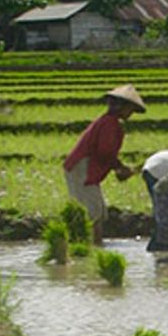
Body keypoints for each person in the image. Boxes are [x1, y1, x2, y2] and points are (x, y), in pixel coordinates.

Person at [63, 84, 146, 243]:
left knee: (99, 212)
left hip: (84, 167)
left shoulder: (109, 122)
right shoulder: (110, 124)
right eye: (130, 108)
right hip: (82, 167)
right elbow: (105, 152)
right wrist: (121, 169)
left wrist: (119, 168)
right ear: (121, 107)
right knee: (92, 212)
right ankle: (91, 245)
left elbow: (106, 154)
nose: (131, 113)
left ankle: (93, 243)